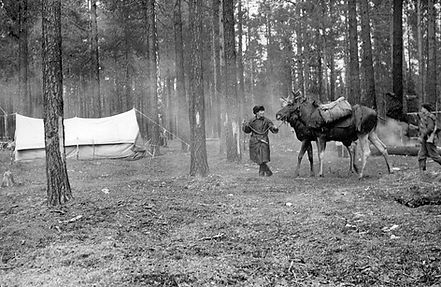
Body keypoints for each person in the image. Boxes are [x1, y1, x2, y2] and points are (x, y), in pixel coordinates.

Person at [242, 105, 279, 176]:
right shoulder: (251, 121)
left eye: (263, 111)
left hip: (264, 141)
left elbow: (273, 129)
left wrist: (275, 128)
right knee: (258, 158)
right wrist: (244, 126)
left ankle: (261, 173)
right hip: (254, 141)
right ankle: (268, 172)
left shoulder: (267, 121)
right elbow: (247, 130)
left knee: (263, 158)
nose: (262, 112)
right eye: (260, 111)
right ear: (256, 113)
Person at [417, 103, 441, 171]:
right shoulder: (425, 116)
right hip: (426, 138)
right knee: (422, 154)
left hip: (430, 138)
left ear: (425, 109)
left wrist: (423, 135)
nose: (421, 109)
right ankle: (422, 171)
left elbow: (430, 128)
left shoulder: (429, 117)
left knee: (434, 155)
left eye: (422, 108)